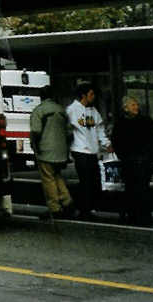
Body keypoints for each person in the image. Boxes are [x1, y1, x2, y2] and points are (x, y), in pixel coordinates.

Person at [111, 96, 153, 225]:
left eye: (136, 105)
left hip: (144, 161)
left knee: (143, 188)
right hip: (129, 162)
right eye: (133, 105)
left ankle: (144, 216)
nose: (136, 107)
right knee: (131, 189)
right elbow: (116, 142)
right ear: (125, 108)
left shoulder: (146, 121)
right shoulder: (120, 123)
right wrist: (124, 157)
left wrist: (150, 157)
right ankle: (133, 215)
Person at [66, 83, 111, 219]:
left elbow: (99, 129)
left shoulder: (93, 111)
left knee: (94, 181)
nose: (93, 97)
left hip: (92, 150)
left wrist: (106, 143)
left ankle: (89, 207)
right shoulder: (72, 110)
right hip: (79, 149)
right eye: (91, 94)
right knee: (85, 181)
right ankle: (84, 209)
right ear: (83, 96)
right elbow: (67, 129)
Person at [30, 87, 74, 220]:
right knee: (57, 176)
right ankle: (67, 202)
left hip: (46, 151)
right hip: (61, 152)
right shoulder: (62, 110)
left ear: (41, 97)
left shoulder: (39, 110)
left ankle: (54, 208)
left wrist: (35, 147)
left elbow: (36, 131)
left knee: (48, 178)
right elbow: (70, 133)